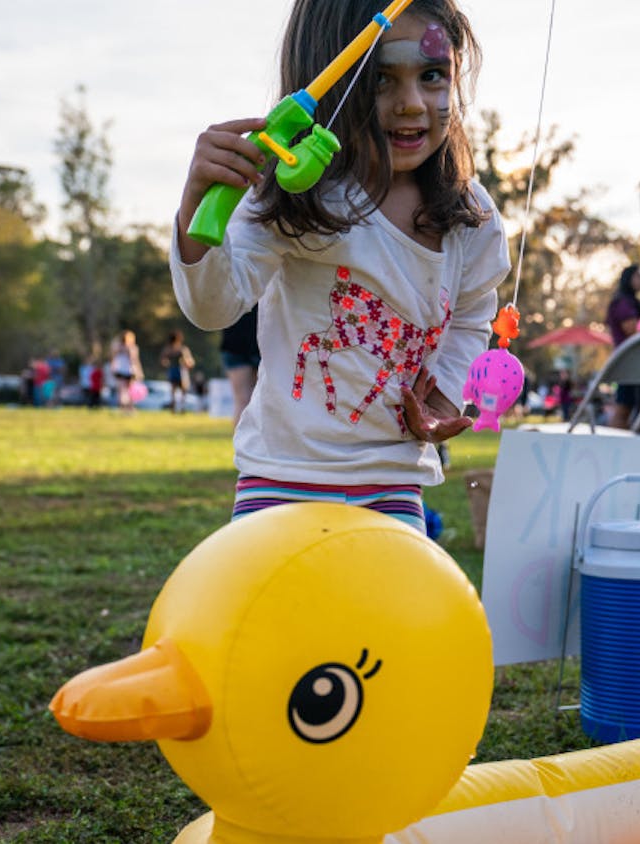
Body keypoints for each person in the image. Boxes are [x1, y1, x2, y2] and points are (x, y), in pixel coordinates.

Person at [170, 0, 509, 533]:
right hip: (279, 481)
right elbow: (213, 307)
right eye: (380, 81)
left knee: (393, 618)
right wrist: (198, 206)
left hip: (395, 482)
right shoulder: (296, 193)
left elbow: (471, 315)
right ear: (325, 81)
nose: (412, 104)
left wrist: (443, 396)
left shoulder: (472, 218)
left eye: (433, 76)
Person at [605, 263, 640, 429]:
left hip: (638, 362)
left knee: (632, 408)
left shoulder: (635, 302)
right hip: (628, 362)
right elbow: (633, 331)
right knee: (624, 407)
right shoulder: (623, 303)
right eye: (638, 276)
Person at [219, 307, 260, 429]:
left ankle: (242, 445)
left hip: (234, 343)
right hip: (256, 342)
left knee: (242, 400)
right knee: (254, 400)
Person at [160, 330, 196, 414]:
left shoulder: (168, 349)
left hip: (174, 370)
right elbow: (190, 361)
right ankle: (181, 408)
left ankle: (175, 408)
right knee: (183, 390)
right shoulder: (182, 349)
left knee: (174, 391)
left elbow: (163, 360)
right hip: (181, 370)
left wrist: (166, 364)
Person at [108, 330, 143, 414]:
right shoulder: (128, 347)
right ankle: (127, 407)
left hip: (124, 370)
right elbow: (134, 360)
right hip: (126, 370)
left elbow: (113, 358)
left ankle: (126, 407)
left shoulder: (119, 347)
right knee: (126, 390)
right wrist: (139, 371)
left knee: (125, 389)